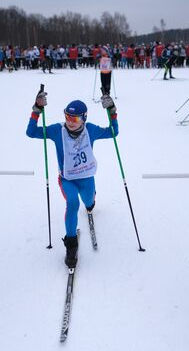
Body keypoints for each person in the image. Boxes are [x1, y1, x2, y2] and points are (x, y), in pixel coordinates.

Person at [26, 91, 119, 268]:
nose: (70, 121)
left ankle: (91, 202)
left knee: (88, 201)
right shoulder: (57, 130)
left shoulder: (90, 129)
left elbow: (113, 132)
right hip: (67, 179)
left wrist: (112, 111)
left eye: (75, 118)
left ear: (83, 118)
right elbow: (31, 132)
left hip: (86, 178)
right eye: (67, 116)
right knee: (73, 203)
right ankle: (71, 246)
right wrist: (37, 110)